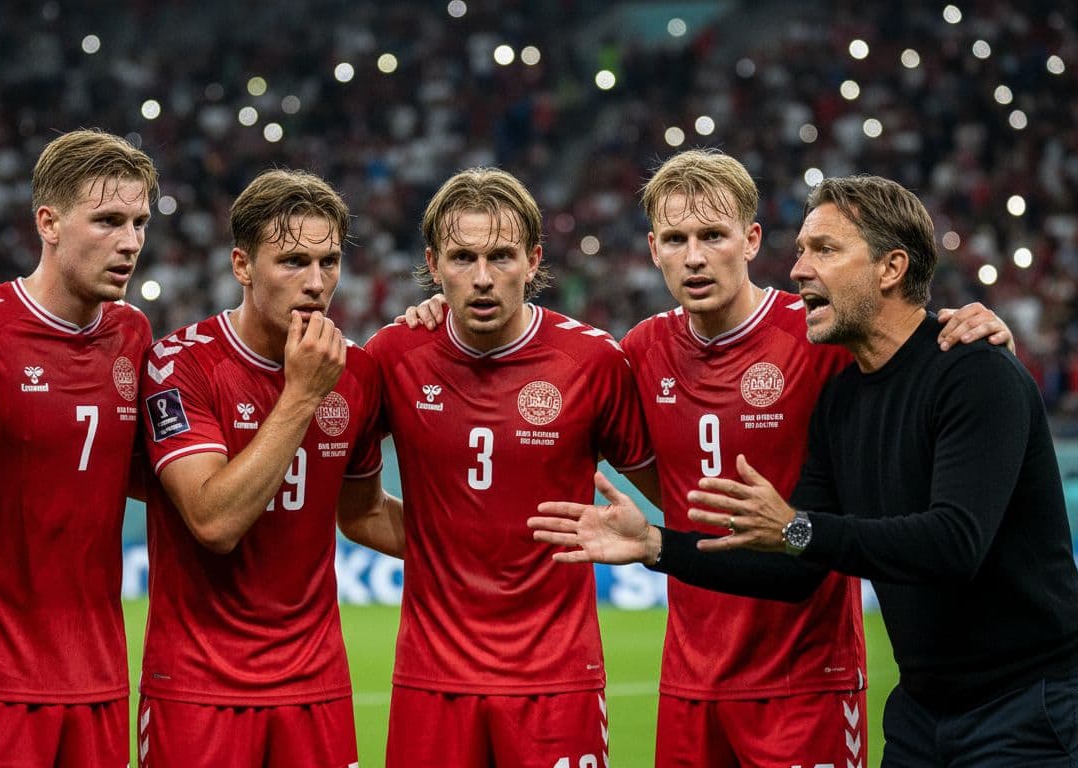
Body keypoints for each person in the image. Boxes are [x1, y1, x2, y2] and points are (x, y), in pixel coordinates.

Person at [410, 150, 1010, 768]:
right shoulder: (639, 352)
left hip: (805, 676)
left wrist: (967, 326)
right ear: (652, 249)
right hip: (689, 682)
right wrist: (432, 312)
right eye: (676, 239)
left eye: (713, 236)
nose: (694, 256)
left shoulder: (816, 336)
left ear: (750, 240)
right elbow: (658, 483)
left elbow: (902, 341)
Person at [533, 174, 1078, 765]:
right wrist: (655, 545)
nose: (796, 271)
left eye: (824, 250)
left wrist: (798, 529)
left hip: (1024, 702)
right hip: (922, 710)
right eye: (802, 251)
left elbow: (952, 543)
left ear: (891, 267)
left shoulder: (968, 369)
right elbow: (793, 568)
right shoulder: (843, 396)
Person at [365, 167, 657, 768]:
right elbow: (355, 509)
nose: (481, 278)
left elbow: (671, 489)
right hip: (431, 677)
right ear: (432, 263)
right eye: (462, 257)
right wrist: (446, 546)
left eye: (500, 256)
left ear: (533, 260)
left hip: (557, 678)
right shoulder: (395, 355)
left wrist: (655, 539)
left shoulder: (594, 362)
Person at [136, 169, 402, 768]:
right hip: (199, 688)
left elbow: (362, 513)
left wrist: (494, 550)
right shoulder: (181, 365)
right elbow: (213, 519)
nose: (315, 283)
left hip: (316, 687)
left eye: (328, 261)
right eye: (292, 262)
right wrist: (302, 395)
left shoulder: (355, 373)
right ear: (242, 265)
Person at [0, 130, 157, 768]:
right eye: (109, 221)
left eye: (140, 222)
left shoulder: (133, 332)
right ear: (49, 222)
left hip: (98, 676)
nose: (130, 242)